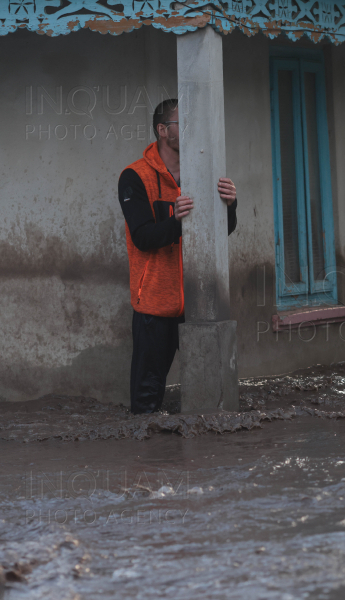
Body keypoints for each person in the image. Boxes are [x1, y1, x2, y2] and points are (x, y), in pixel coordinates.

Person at [118, 98, 238, 414]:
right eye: (180, 123)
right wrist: (175, 223)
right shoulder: (134, 177)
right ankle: (146, 461)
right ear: (162, 130)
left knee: (211, 400)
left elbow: (221, 231)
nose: (190, 131)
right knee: (146, 402)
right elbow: (142, 237)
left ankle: (197, 461)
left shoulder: (201, 174)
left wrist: (230, 203)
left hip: (198, 303)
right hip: (155, 305)